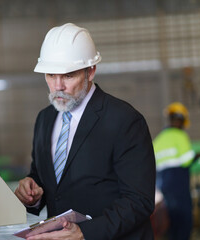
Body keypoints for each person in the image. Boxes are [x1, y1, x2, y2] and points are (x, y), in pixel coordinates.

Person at [14, 23, 156, 240]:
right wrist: (32, 194)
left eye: (68, 76)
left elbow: (139, 201)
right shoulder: (45, 119)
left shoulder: (125, 120)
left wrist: (85, 233)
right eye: (51, 75)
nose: (58, 86)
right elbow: (46, 181)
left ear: (91, 71)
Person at [153, 102, 197, 240]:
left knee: (170, 225)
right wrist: (197, 156)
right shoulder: (180, 136)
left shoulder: (158, 140)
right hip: (179, 188)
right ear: (181, 120)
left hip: (163, 189)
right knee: (184, 224)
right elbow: (187, 160)